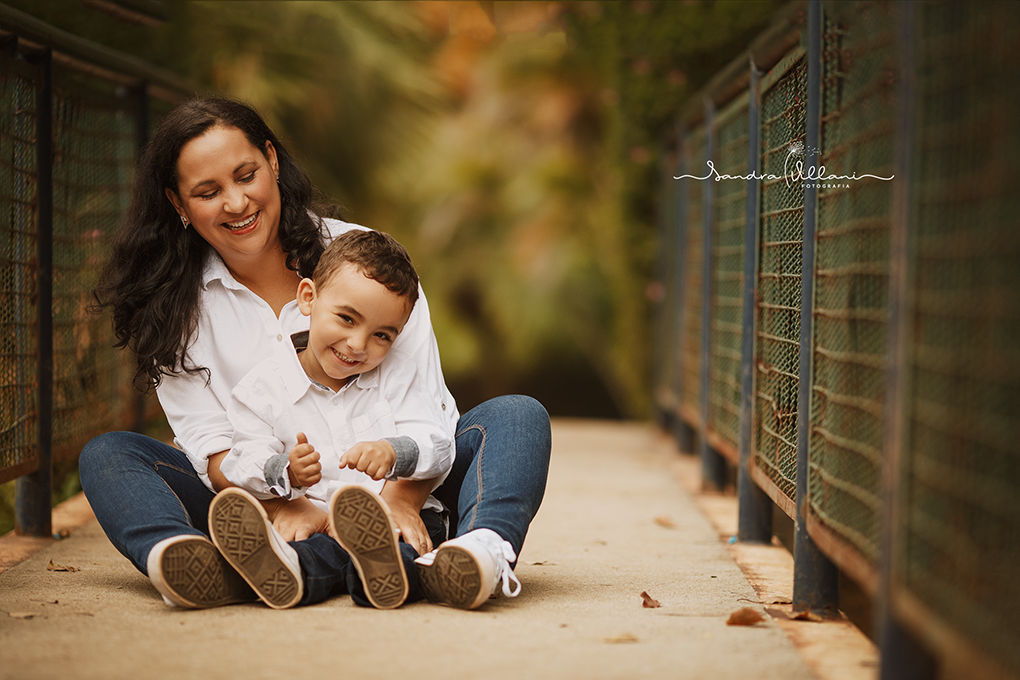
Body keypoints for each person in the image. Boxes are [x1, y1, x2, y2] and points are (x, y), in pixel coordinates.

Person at [79, 97, 550, 611]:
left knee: (517, 417)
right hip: (260, 500)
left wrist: (399, 502)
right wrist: (287, 502)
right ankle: (188, 562)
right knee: (109, 455)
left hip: (400, 485)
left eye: (245, 175)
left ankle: (479, 553)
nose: (236, 203)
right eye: (208, 192)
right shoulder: (171, 308)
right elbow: (211, 454)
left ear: (272, 162)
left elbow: (428, 407)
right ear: (178, 204)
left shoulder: (367, 260)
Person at [211, 229, 455, 610]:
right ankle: (283, 570)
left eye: (381, 335)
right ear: (308, 298)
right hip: (318, 521)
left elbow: (438, 441)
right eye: (346, 318)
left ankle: (381, 575)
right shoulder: (262, 390)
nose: (358, 345)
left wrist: (395, 451)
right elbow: (241, 459)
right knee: (313, 553)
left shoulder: (398, 375)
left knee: (403, 546)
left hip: (395, 520)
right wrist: (284, 471)